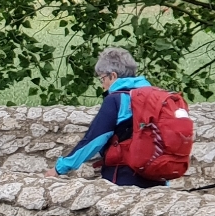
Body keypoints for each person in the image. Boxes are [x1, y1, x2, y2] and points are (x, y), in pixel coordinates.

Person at [47, 47, 173, 187]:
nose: (103, 85)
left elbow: (95, 139)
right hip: (159, 179)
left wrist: (60, 168)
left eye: (102, 79)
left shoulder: (116, 100)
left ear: (112, 76)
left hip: (124, 179)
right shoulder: (158, 97)